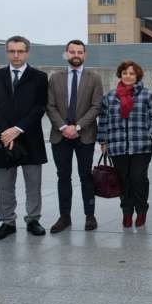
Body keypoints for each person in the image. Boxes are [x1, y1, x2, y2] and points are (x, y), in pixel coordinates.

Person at [0, 35, 49, 242]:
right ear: (7, 52)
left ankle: (33, 219)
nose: (16, 55)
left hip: (30, 138)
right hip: (3, 139)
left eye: (20, 51)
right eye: (12, 51)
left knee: (33, 184)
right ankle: (7, 222)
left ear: (27, 53)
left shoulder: (39, 77)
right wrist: (6, 131)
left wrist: (18, 129)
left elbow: (40, 107)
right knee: (4, 185)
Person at [46, 39, 104, 233]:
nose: (76, 55)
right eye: (72, 52)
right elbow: (50, 106)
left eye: (80, 52)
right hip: (60, 135)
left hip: (85, 135)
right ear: (66, 54)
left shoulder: (94, 78)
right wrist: (64, 127)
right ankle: (64, 217)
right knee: (63, 177)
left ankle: (90, 215)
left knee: (86, 176)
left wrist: (77, 127)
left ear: (85, 55)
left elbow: (96, 106)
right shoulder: (55, 78)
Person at [98, 60, 152, 228]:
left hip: (141, 145)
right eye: (125, 73)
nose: (128, 76)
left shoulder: (147, 95)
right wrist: (103, 140)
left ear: (137, 76)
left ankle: (141, 210)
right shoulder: (110, 97)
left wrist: (151, 134)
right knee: (123, 180)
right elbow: (103, 120)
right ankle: (127, 212)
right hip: (117, 145)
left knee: (138, 178)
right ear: (120, 75)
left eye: (132, 73)